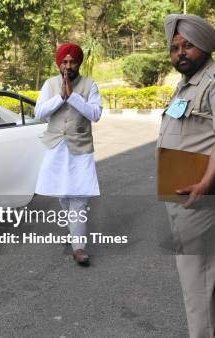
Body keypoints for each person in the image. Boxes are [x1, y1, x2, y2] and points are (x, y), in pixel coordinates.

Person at [158, 14, 215, 338]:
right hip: (184, 202)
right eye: (175, 47)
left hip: (201, 201)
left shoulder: (213, 82)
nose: (180, 52)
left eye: (188, 45)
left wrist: (206, 182)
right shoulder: (188, 83)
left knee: (198, 284)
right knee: (203, 280)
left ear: (205, 45)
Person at [34, 43, 102, 266]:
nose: (68, 66)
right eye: (64, 61)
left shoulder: (89, 85)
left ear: (79, 63)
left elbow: (95, 114)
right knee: (63, 196)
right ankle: (73, 229)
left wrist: (73, 96)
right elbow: (39, 113)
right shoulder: (50, 84)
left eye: (73, 62)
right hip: (56, 148)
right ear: (58, 63)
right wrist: (60, 97)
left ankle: (79, 248)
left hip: (80, 149)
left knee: (79, 198)